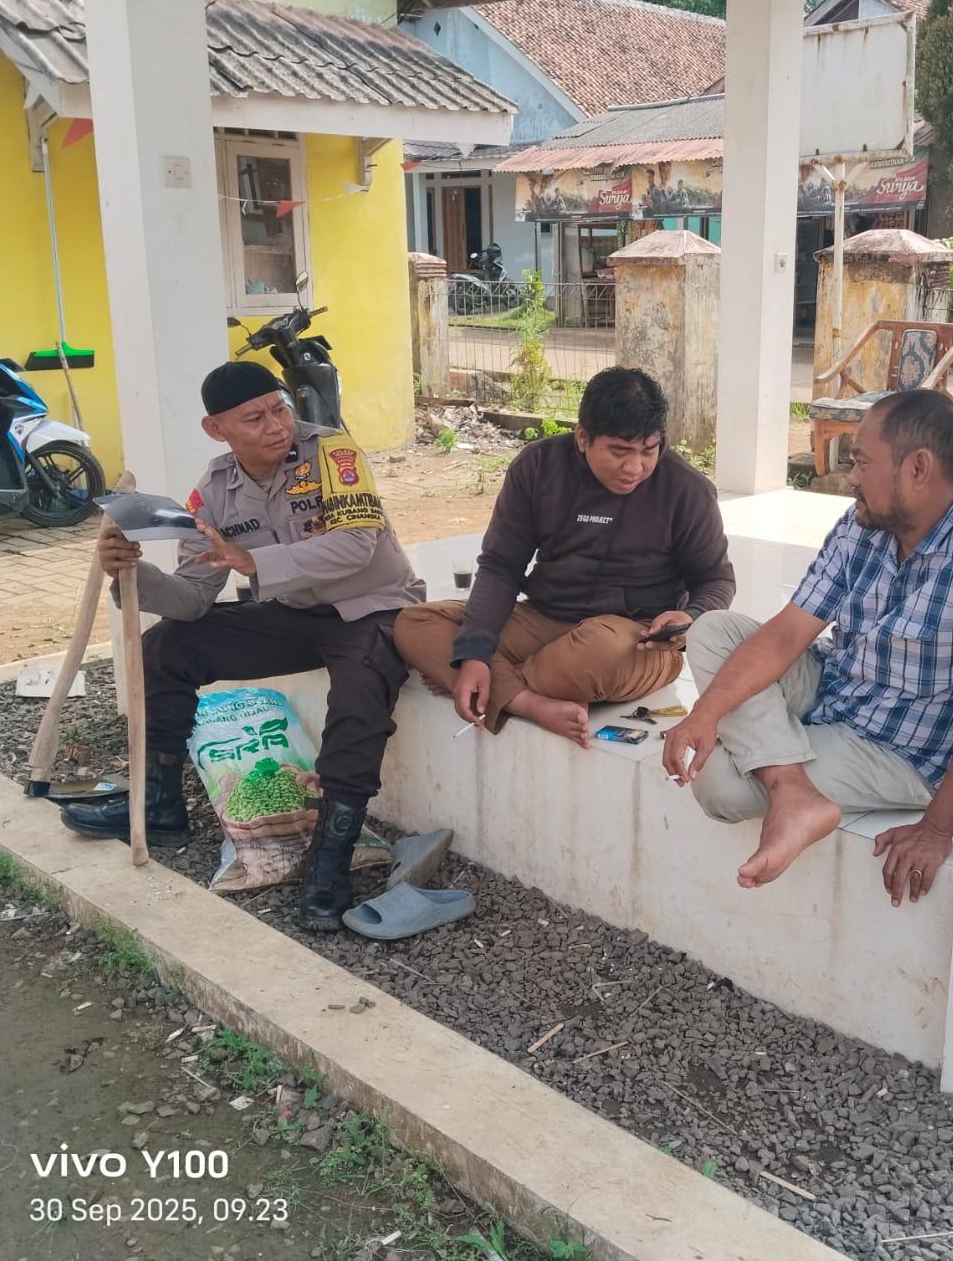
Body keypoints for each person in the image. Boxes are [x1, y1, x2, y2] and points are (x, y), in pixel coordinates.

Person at [60, 362, 425, 932]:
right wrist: (131, 573)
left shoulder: (333, 454)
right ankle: (159, 805)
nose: (276, 425)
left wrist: (253, 561)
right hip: (296, 615)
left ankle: (330, 857)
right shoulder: (212, 493)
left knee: (360, 691)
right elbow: (192, 597)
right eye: (254, 418)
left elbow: (357, 546)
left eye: (280, 409)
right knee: (167, 645)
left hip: (373, 607)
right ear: (217, 429)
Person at [662, 388, 953, 908]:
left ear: (918, 468)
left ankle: (781, 771)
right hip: (834, 692)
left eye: (862, 463)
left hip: (899, 752)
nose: (852, 478)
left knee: (719, 785)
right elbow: (786, 634)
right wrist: (705, 713)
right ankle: (792, 790)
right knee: (713, 631)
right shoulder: (865, 523)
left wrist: (936, 829)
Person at [395, 367, 735, 745]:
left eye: (648, 450)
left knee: (600, 652)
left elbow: (716, 579)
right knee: (415, 622)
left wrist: (692, 616)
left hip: (633, 637)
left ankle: (493, 683)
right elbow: (501, 566)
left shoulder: (686, 489)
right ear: (582, 437)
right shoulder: (538, 466)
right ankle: (528, 702)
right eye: (619, 452)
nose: (635, 467)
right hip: (545, 617)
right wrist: (475, 652)